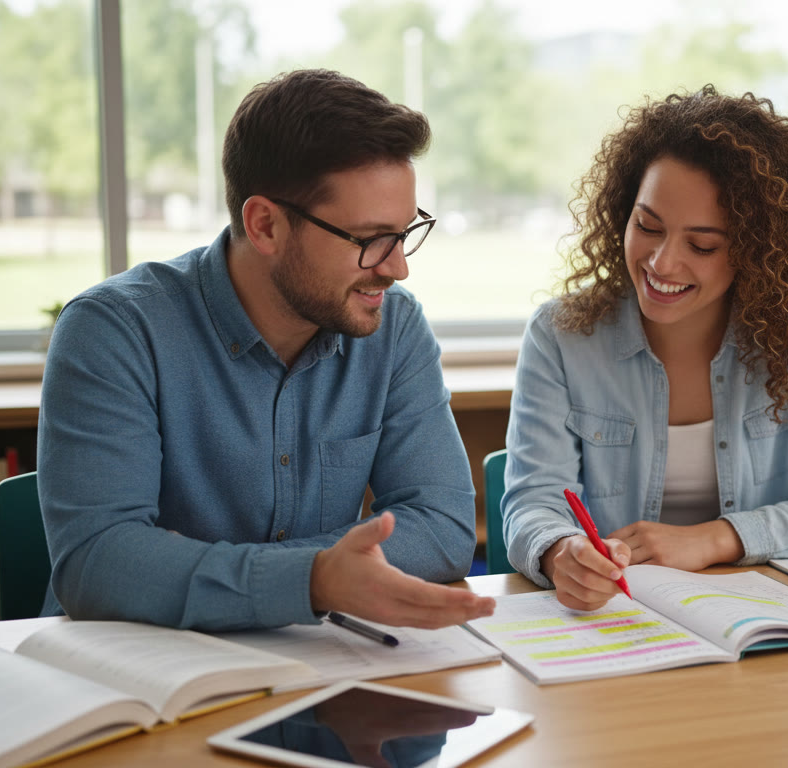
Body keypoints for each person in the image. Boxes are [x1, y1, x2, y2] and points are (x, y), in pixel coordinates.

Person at [37, 70, 494, 631]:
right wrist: (314, 579)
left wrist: (193, 566)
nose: (397, 268)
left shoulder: (393, 329)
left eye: (404, 233)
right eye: (370, 239)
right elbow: (99, 564)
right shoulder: (113, 331)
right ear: (265, 225)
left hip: (314, 674)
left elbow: (443, 526)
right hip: (140, 684)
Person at [502, 85, 788, 610]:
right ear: (623, 213)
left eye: (702, 245)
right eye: (647, 226)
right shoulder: (561, 336)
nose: (661, 263)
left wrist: (714, 538)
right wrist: (559, 551)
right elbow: (533, 500)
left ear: (759, 251)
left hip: (757, 616)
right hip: (621, 616)